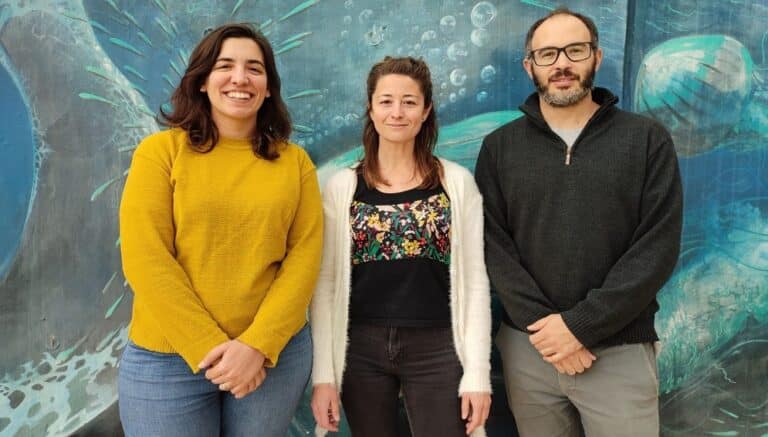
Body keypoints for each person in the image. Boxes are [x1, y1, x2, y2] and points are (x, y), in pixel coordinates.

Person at [475, 7, 683, 437]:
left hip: (618, 349)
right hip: (530, 349)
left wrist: (579, 327)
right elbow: (492, 246)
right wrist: (548, 331)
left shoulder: (647, 140)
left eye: (575, 50)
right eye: (548, 54)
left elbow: (657, 248)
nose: (562, 64)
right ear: (529, 66)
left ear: (597, 57)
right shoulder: (499, 148)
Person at [117, 23, 322, 436]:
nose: (240, 78)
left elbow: (304, 258)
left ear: (268, 88)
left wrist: (257, 345)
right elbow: (145, 258)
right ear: (202, 81)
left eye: (254, 69)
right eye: (225, 66)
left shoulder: (295, 163)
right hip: (168, 362)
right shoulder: (160, 153)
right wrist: (211, 348)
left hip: (271, 360)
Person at [310, 56, 492, 437]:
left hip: (438, 347)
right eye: (386, 101)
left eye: (409, 102)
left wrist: (478, 374)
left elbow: (475, 282)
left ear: (425, 111)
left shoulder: (456, 184)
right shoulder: (342, 187)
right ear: (371, 109)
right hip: (360, 349)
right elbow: (325, 285)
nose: (397, 112)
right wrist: (324, 376)